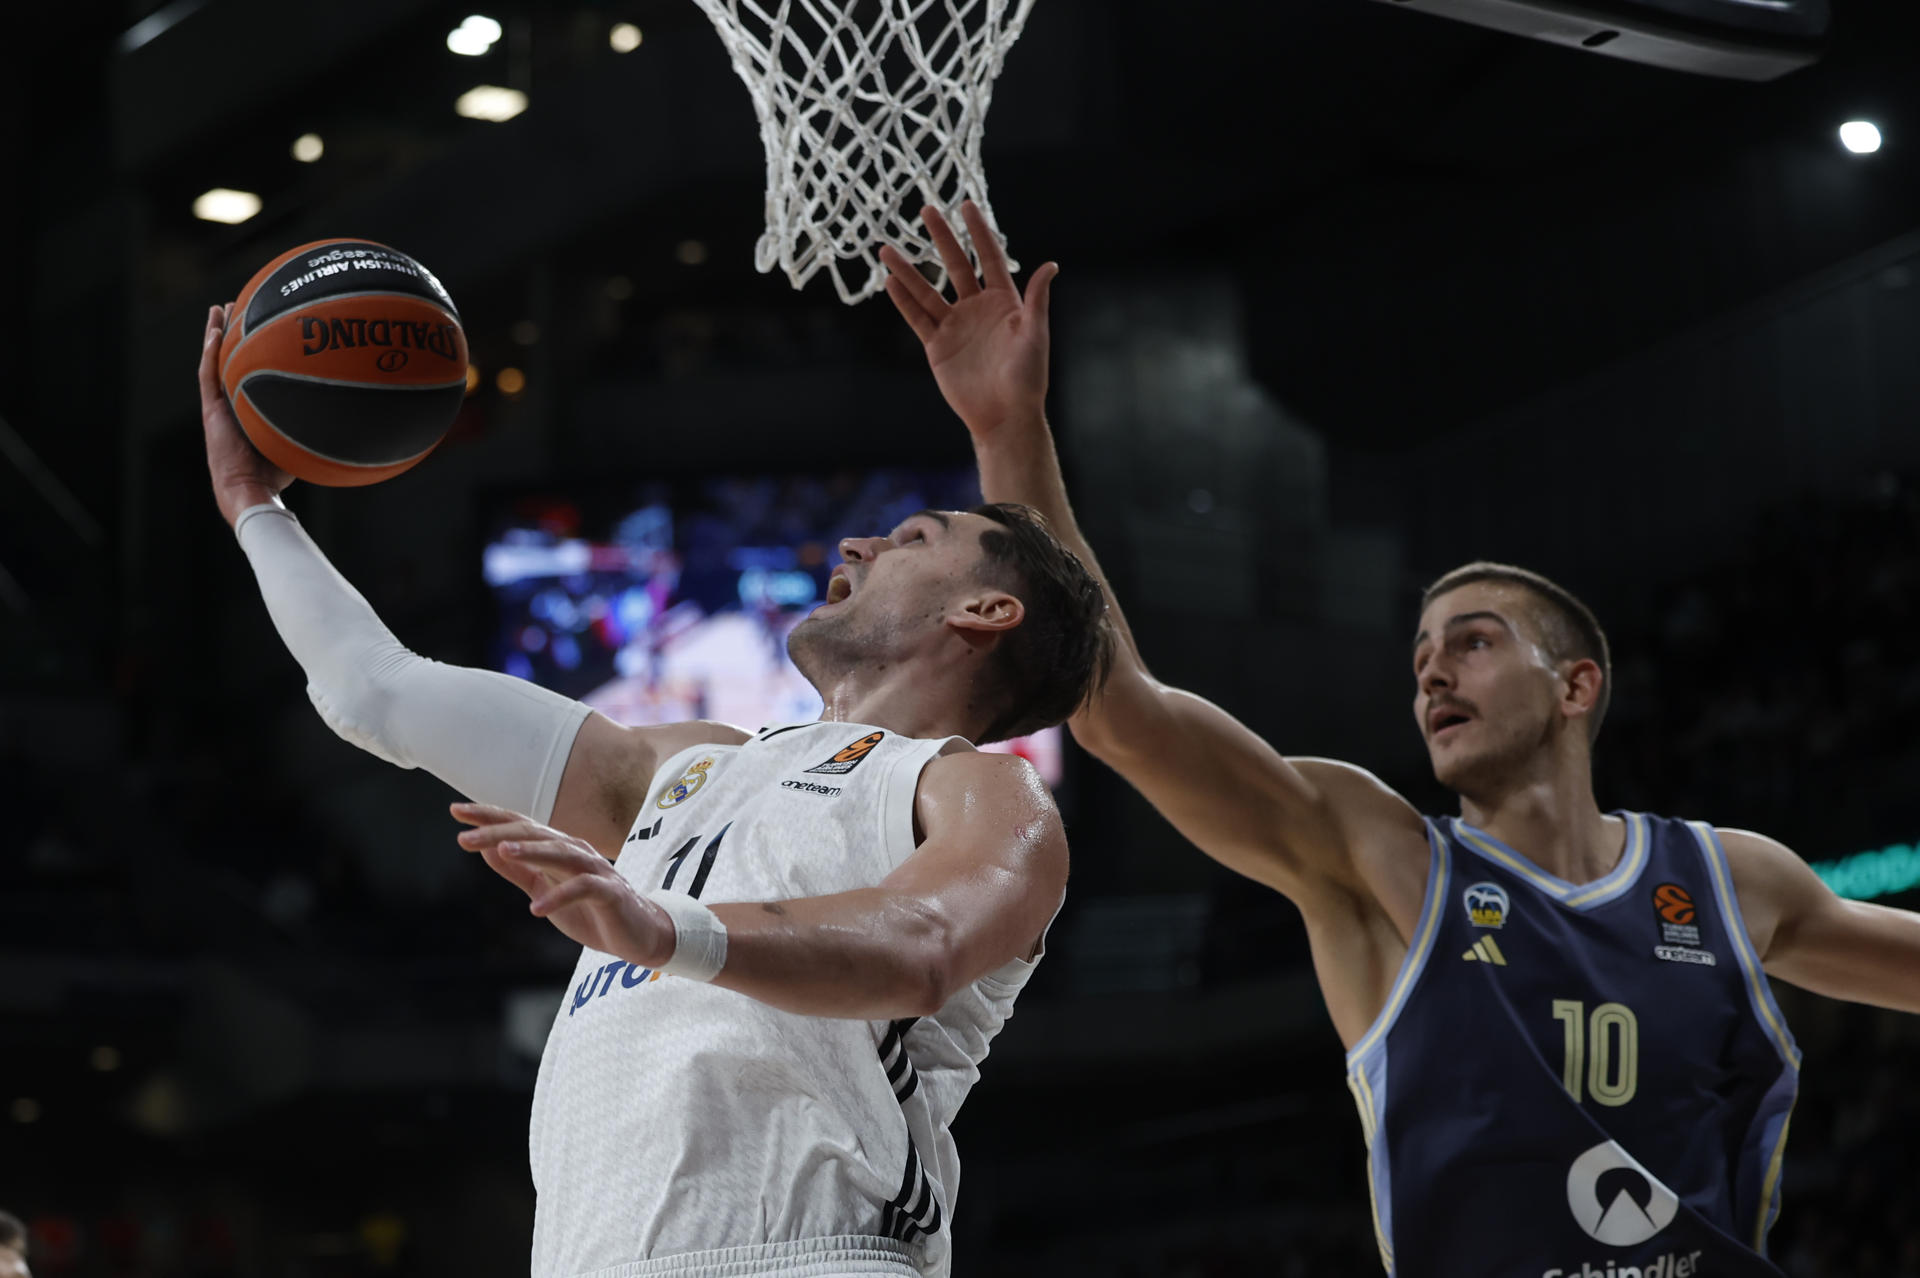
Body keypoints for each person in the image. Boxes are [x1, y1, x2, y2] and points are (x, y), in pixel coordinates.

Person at [880, 203, 1920, 1277]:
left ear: (1576, 685)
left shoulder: (1730, 881)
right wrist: (1009, 431)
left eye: (1472, 643)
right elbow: (1111, 704)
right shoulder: (1378, 854)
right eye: (1422, 650)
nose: (1430, 670)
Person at [196, 303, 1113, 1278]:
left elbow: (922, 947)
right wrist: (254, 506)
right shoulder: (677, 770)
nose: (858, 547)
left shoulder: (979, 792)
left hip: (813, 1255)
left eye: (914, 537)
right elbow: (375, 691)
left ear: (984, 609)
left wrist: (668, 930)